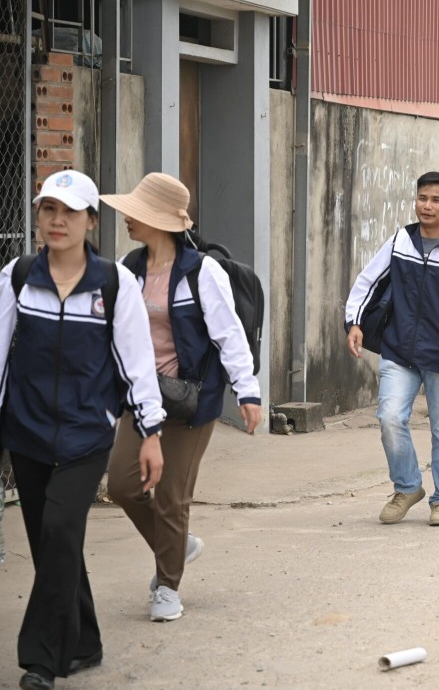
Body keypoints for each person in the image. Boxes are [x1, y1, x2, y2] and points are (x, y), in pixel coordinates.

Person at [0, 170, 165, 690]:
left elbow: (137, 363)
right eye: (49, 209)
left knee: (59, 531)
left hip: (86, 434)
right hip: (25, 432)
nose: (57, 221)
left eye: (70, 212)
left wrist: (151, 432)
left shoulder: (114, 284)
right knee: (55, 546)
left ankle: (41, 661)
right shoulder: (19, 276)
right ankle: (86, 641)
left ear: (91, 221)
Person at [101, 173, 262, 623]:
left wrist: (247, 392)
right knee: (123, 486)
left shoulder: (201, 271)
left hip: (192, 400)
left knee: (172, 496)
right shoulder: (126, 268)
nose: (128, 218)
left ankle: (167, 587)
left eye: (137, 212)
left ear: (160, 221)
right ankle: (176, 546)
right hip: (143, 397)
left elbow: (230, 335)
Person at [345, 171, 439, 527]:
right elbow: (369, 280)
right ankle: (408, 487)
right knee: (390, 418)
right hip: (400, 350)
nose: (427, 206)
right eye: (422, 198)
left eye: (436, 199)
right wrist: (355, 322)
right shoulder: (400, 241)